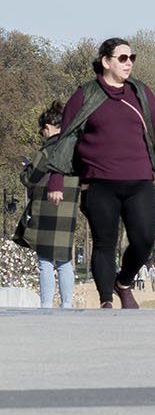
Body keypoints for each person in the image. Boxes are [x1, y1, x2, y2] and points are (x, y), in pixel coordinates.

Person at [54, 38, 155, 309]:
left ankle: (123, 283)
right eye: (123, 58)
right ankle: (106, 301)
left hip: (139, 180)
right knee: (105, 242)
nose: (129, 63)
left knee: (144, 240)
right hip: (99, 182)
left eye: (132, 58)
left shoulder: (140, 92)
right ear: (106, 61)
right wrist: (56, 178)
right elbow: (65, 138)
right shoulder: (85, 94)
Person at [18, 104, 78, 308]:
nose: (42, 134)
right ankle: (67, 304)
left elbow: (29, 178)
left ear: (51, 126)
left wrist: (25, 168)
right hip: (68, 208)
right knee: (64, 260)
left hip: (46, 208)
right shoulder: (76, 148)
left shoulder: (47, 151)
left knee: (45, 260)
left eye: (43, 129)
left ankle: (46, 305)